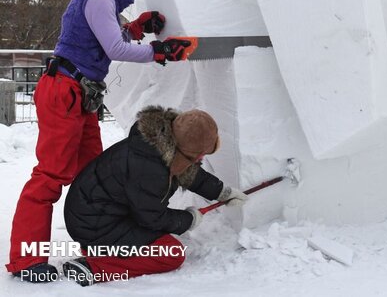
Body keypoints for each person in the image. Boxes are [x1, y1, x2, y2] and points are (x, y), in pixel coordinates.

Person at [6, 0, 193, 281]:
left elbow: (104, 37)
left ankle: (99, 243)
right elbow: (114, 48)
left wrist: (138, 27)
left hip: (80, 96)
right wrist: (159, 51)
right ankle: (25, 260)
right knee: (50, 175)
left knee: (94, 174)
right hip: (63, 92)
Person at [61, 106, 248, 286]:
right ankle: (93, 267)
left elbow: (190, 174)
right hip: (94, 226)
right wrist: (188, 219)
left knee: (162, 239)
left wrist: (222, 192)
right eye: (199, 157)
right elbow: (152, 217)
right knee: (171, 253)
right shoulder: (149, 169)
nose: (200, 161)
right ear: (187, 154)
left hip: (98, 215)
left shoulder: (159, 145)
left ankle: (104, 252)